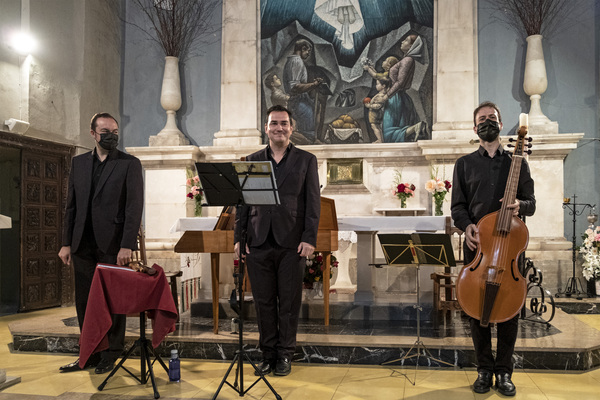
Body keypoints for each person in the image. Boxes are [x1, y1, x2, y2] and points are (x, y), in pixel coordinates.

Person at [451, 101, 535, 397]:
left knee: (510, 312)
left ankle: (504, 372)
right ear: (475, 128)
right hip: (478, 247)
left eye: (492, 118)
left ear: (500, 125)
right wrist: (467, 227)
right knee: (477, 311)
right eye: (482, 119)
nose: (487, 122)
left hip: (510, 248)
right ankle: (484, 370)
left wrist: (519, 205)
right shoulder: (464, 164)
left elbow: (531, 203)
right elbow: (457, 207)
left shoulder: (517, 162)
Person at [234, 105, 320, 377]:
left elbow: (312, 203)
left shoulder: (306, 160)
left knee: (289, 303)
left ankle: (285, 355)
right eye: (274, 123)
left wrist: (309, 238)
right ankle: (267, 354)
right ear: (266, 128)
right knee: (264, 302)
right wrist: (239, 238)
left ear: (291, 128)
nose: (279, 128)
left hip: (292, 242)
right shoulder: (252, 160)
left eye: (284, 123)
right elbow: (242, 204)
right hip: (258, 240)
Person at [58, 112, 144, 374]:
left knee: (111, 300)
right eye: (105, 132)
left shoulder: (129, 163)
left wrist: (127, 245)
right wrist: (66, 243)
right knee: (85, 301)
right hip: (82, 243)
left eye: (115, 132)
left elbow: (134, 207)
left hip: (113, 245)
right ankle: (89, 353)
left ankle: (111, 353)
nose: (111, 136)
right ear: (93, 134)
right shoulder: (79, 163)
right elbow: (71, 206)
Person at [283, 39, 323, 142]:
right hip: (298, 101)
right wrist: (313, 85)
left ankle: (313, 139)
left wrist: (313, 84)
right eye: (308, 51)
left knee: (317, 106)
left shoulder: (295, 61)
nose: (309, 54)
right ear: (303, 48)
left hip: (302, 99)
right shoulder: (296, 61)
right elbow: (294, 87)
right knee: (306, 133)